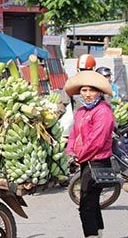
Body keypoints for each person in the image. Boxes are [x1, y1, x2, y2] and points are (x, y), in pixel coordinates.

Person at [64, 70, 114, 238]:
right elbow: (74, 135)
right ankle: (98, 234)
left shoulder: (103, 111)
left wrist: (79, 157)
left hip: (98, 162)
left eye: (91, 90)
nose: (87, 94)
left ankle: (92, 235)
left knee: (85, 205)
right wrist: (69, 152)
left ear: (99, 92)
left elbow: (96, 141)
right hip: (87, 162)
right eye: (84, 90)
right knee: (92, 204)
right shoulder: (81, 112)